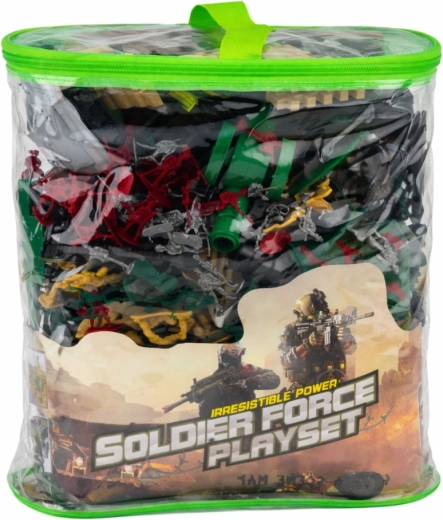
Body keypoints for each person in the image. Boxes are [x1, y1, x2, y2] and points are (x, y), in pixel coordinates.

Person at [278, 290, 356, 389]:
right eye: (313, 318)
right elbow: (285, 362)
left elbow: (351, 350)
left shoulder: (333, 325)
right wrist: (306, 345)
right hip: (303, 387)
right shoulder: (291, 330)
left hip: (334, 383)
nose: (319, 320)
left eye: (322, 316)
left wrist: (345, 339)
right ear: (301, 316)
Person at [196, 343, 280, 418]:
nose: (226, 358)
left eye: (231, 352)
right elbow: (205, 414)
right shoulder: (214, 379)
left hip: (249, 416)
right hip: (226, 420)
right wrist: (208, 397)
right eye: (225, 353)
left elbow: (274, 379)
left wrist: (244, 382)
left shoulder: (246, 369)